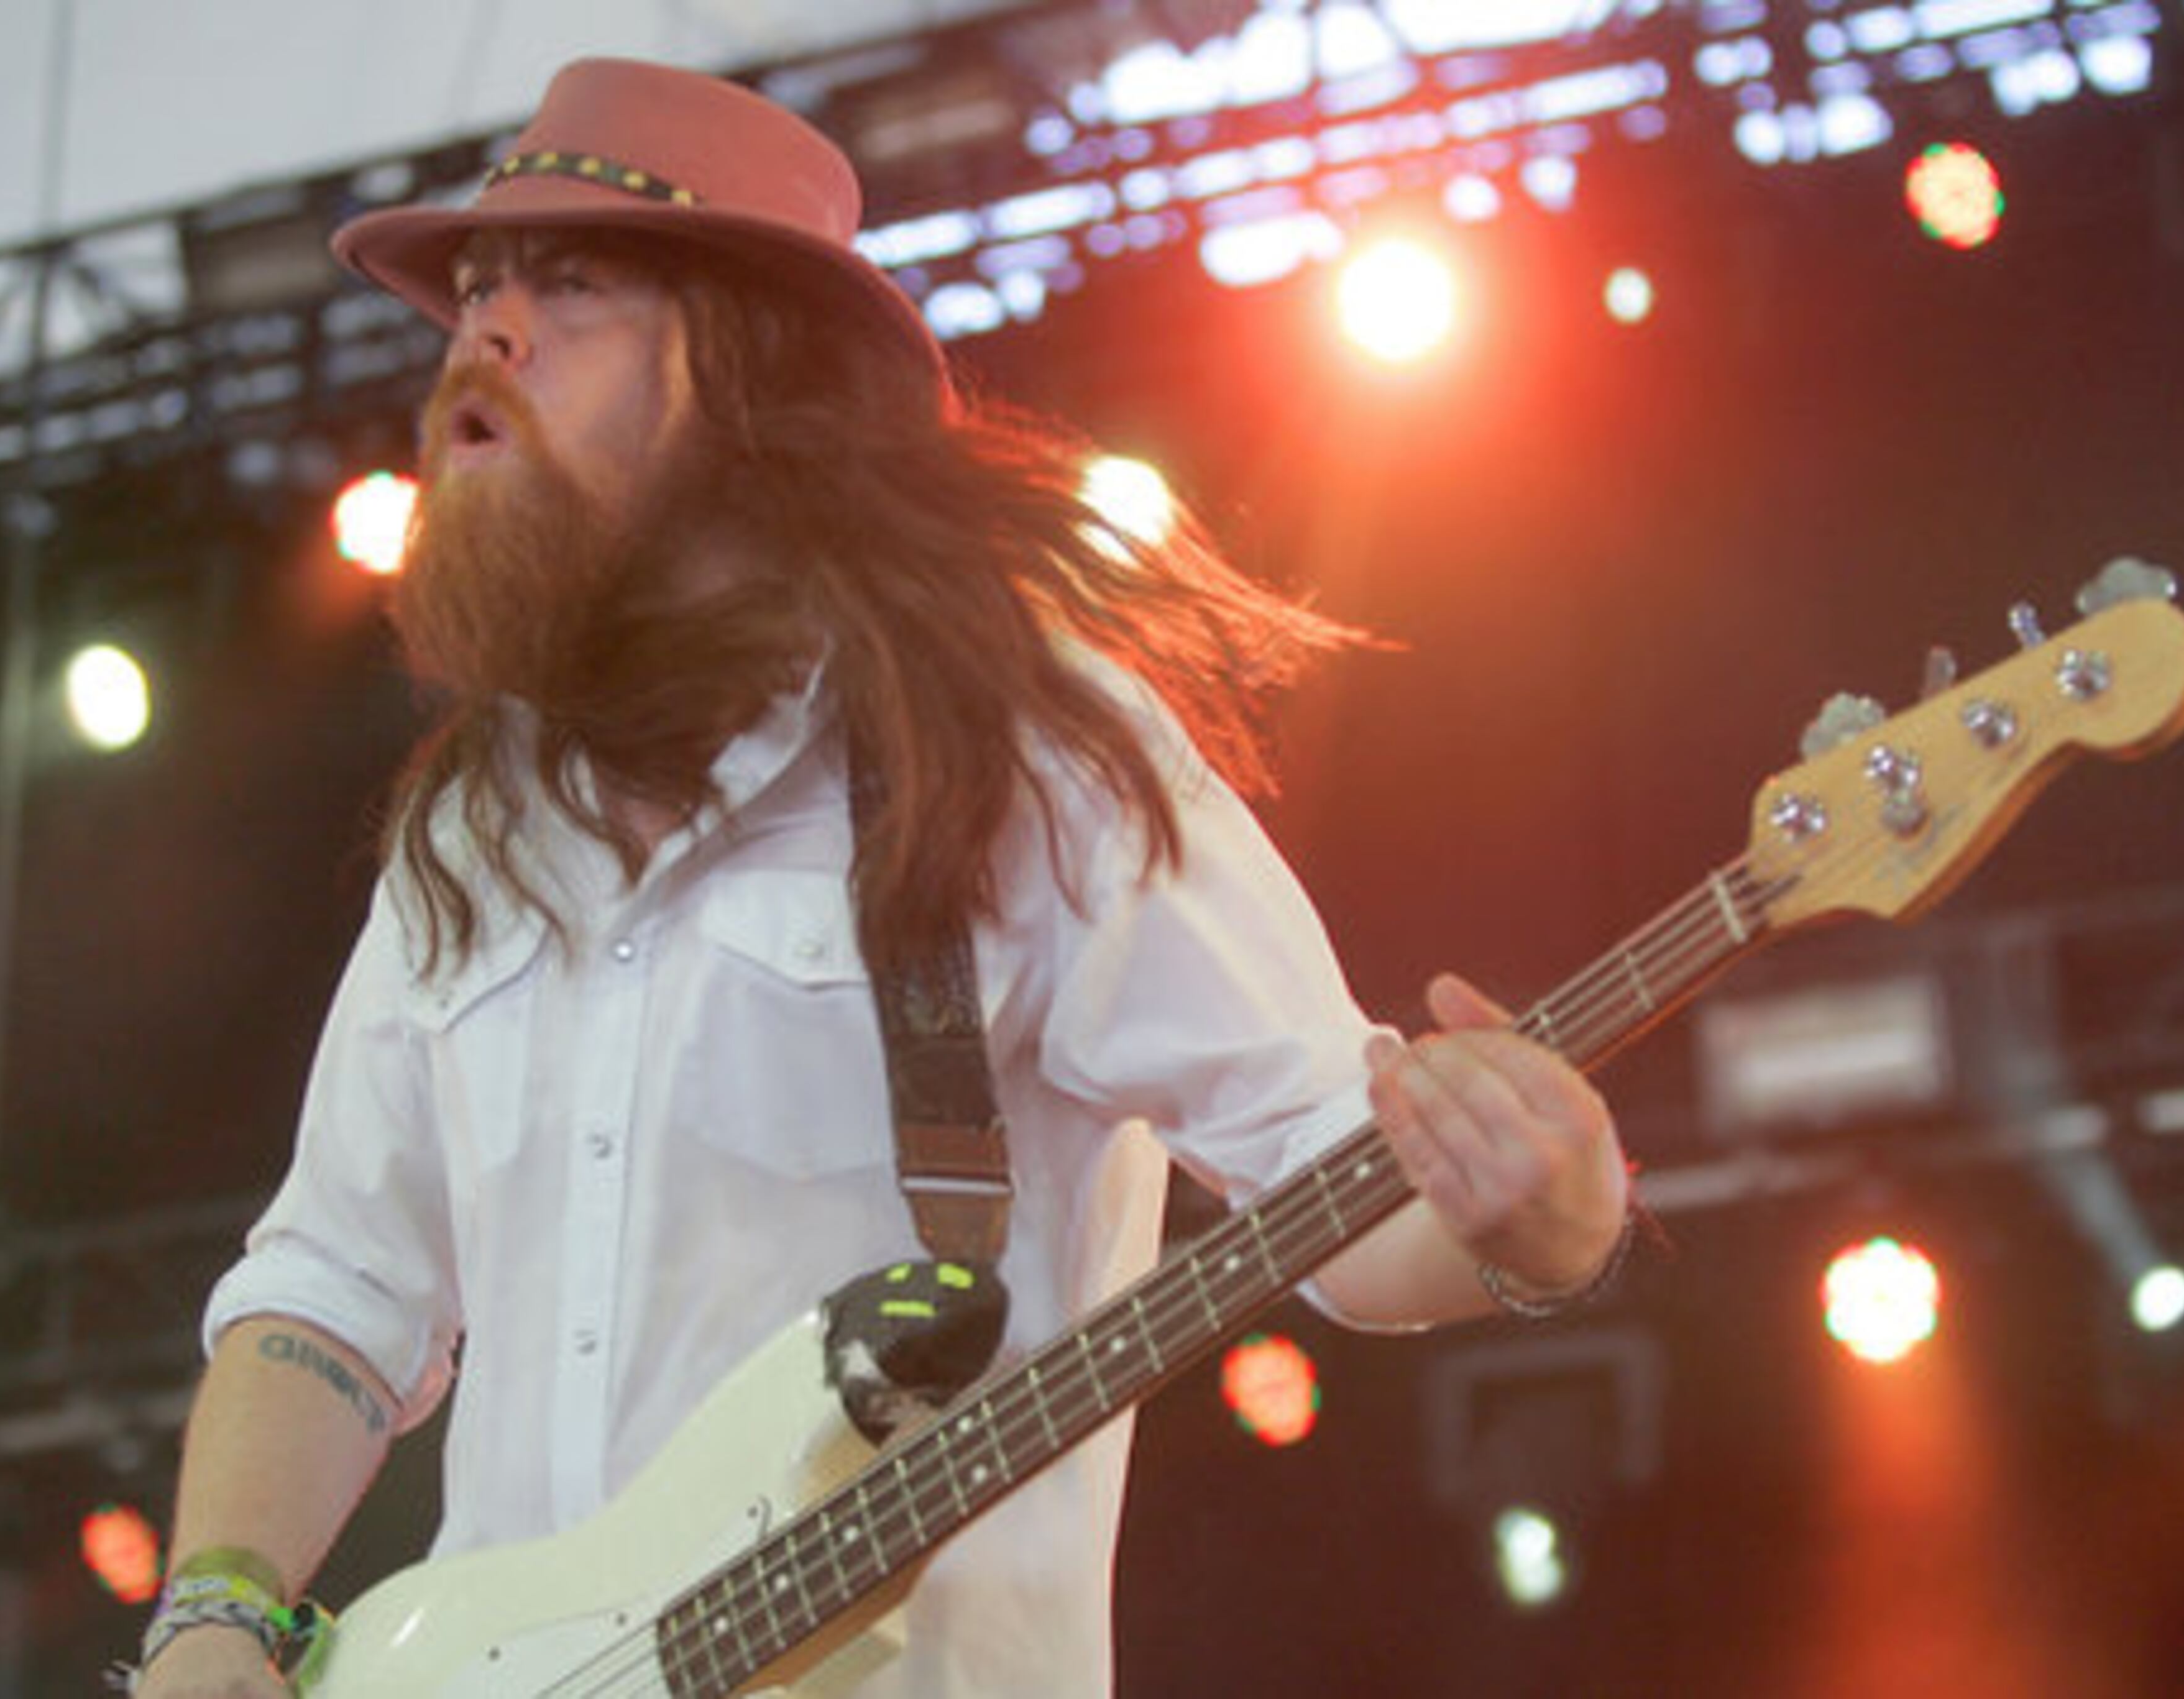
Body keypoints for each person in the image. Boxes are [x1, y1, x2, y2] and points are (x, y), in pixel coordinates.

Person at [132, 57, 1633, 1699]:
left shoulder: (1013, 751)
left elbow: (1336, 1180)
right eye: (476, 290)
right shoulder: (473, 835)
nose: (485, 334)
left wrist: (1537, 1227)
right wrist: (219, 1605)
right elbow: (338, 1288)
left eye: (569, 286)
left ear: (754, 372)